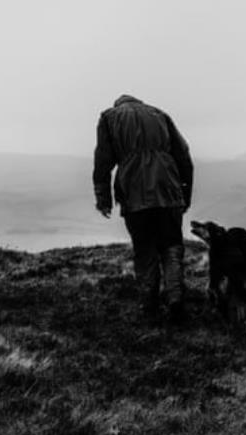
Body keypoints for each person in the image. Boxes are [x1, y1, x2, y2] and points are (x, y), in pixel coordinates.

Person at [93, 94, 193, 323]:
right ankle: (175, 298)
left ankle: (149, 305)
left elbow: (103, 160)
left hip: (134, 191)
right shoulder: (160, 114)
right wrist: (184, 194)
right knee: (172, 246)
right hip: (168, 189)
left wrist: (103, 198)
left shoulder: (109, 117)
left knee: (145, 248)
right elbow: (183, 155)